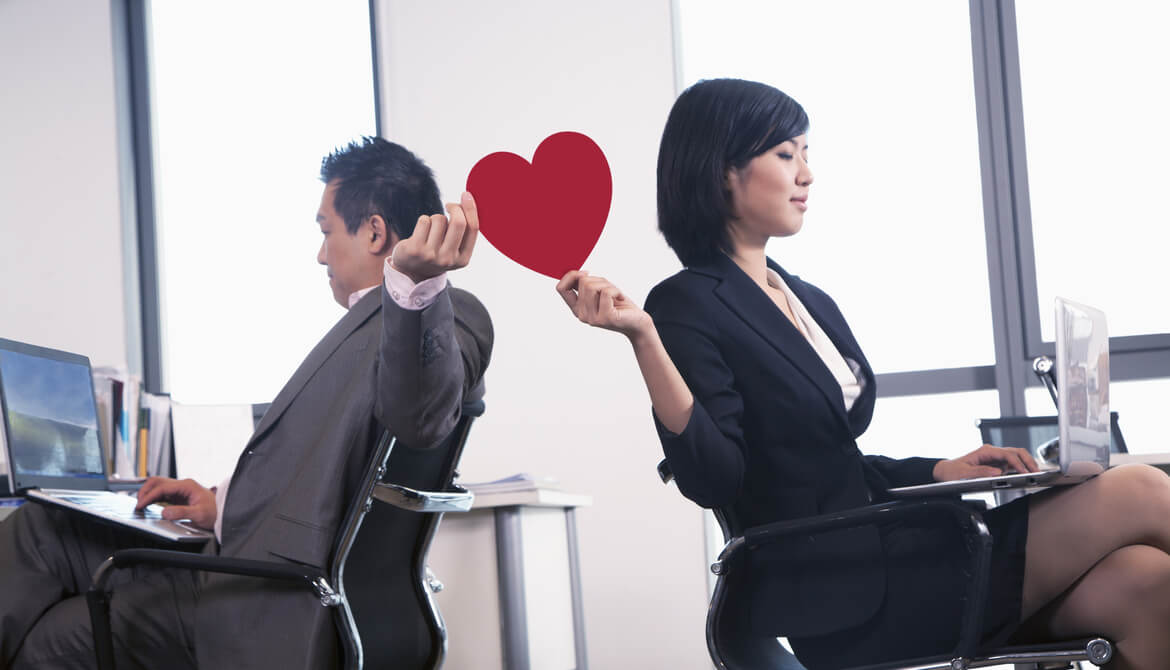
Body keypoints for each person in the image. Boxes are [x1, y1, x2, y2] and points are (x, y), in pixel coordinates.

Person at [557, 78, 1170, 669]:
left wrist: (938, 471)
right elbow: (718, 477)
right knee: (1137, 489)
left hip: (897, 550)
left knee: (1148, 583)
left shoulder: (807, 300)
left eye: (806, 152)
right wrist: (644, 339)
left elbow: (829, 465)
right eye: (784, 152)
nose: (807, 172)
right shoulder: (685, 304)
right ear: (723, 171)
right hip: (849, 594)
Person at [0, 137, 493, 670]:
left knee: (57, 636)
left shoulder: (444, 313)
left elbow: (420, 416)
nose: (321, 253)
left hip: (266, 600)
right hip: (242, 558)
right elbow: (325, 476)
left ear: (374, 231)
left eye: (326, 231)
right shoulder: (360, 326)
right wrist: (221, 504)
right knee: (40, 528)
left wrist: (419, 287)